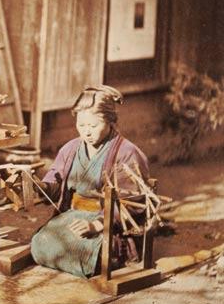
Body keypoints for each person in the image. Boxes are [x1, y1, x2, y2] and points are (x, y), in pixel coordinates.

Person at [30, 85, 150, 278]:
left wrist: (96, 225)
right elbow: (55, 185)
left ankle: (106, 257)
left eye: (93, 126)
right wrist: (39, 186)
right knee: (40, 241)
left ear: (110, 121)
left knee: (84, 249)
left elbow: (133, 203)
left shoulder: (127, 153)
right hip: (72, 216)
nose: (86, 132)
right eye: (81, 125)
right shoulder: (70, 149)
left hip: (108, 223)